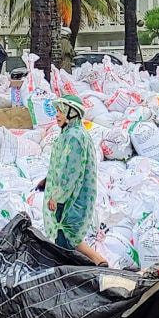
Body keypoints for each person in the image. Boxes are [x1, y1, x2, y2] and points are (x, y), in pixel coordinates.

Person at [43, 94, 104, 265]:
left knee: (65, 241)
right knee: (69, 237)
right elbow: (62, 166)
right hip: (71, 195)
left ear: (73, 113)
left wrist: (57, 196)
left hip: (71, 198)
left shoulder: (74, 137)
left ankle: (75, 276)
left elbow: (70, 172)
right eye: (56, 111)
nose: (57, 115)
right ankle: (98, 262)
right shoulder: (73, 133)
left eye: (61, 111)